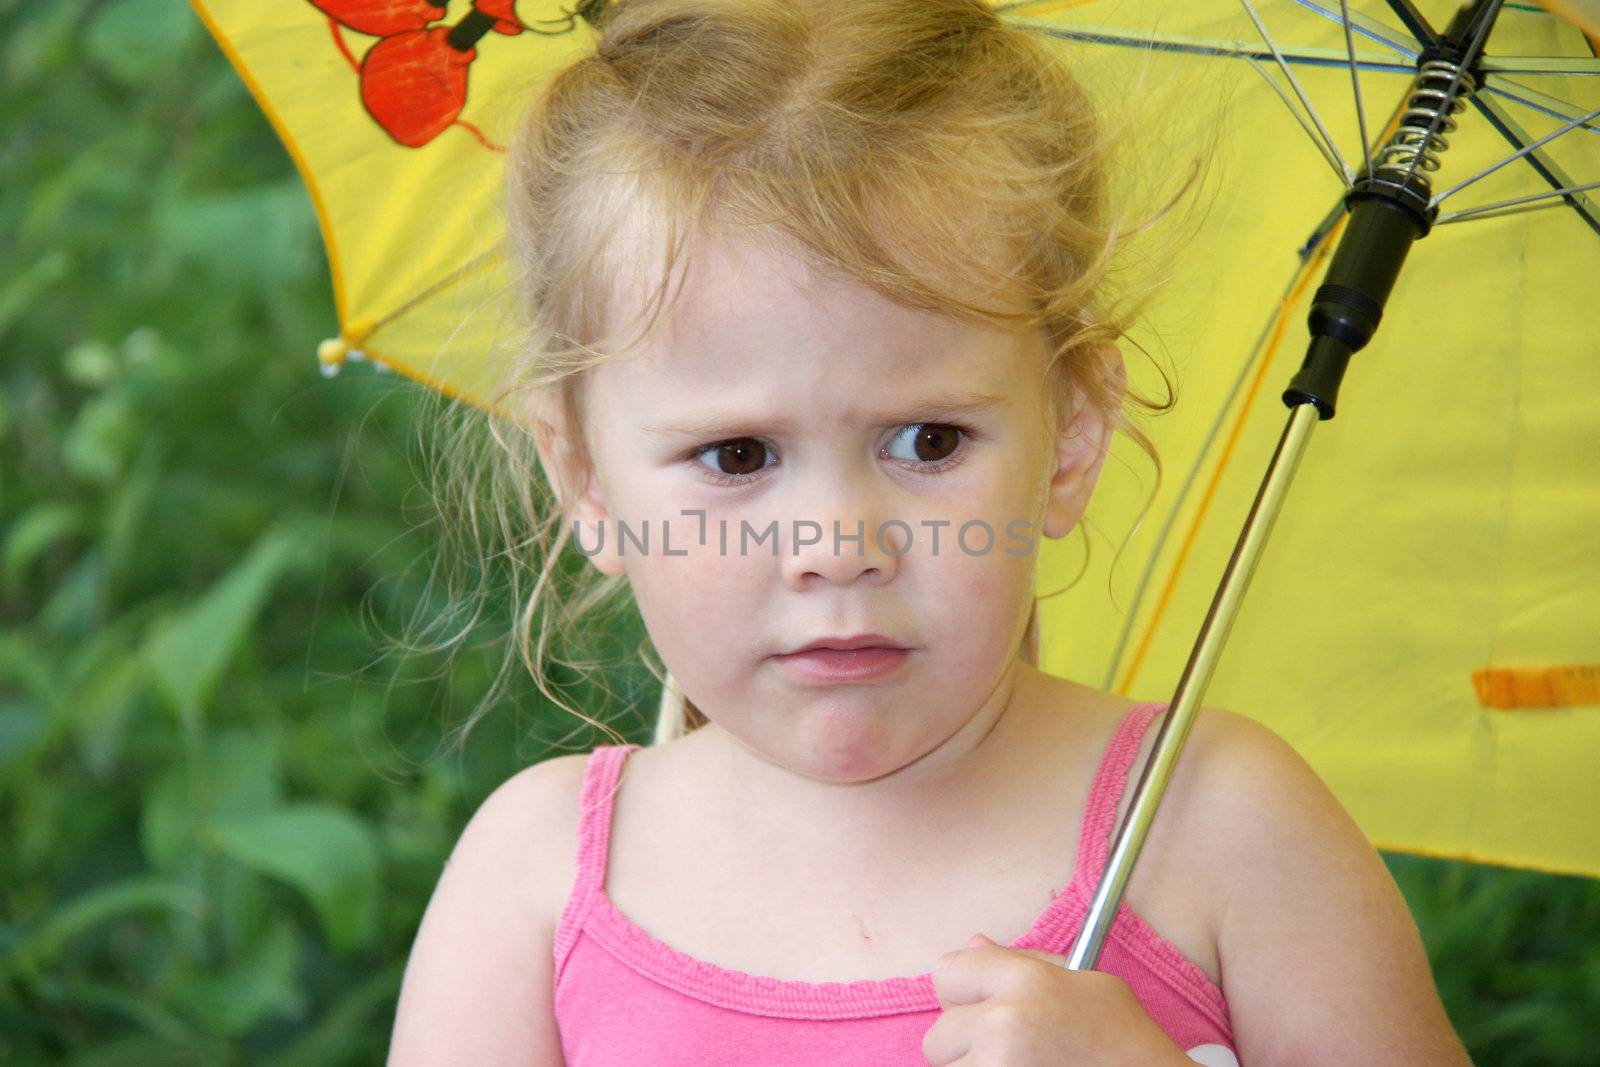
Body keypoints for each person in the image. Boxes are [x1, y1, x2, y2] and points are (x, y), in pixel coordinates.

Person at [388, 0, 1473, 1063]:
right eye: (737, 456)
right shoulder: (534, 890)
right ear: (584, 476)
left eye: (928, 440)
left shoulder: (1222, 831)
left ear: (1070, 435)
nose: (837, 542)